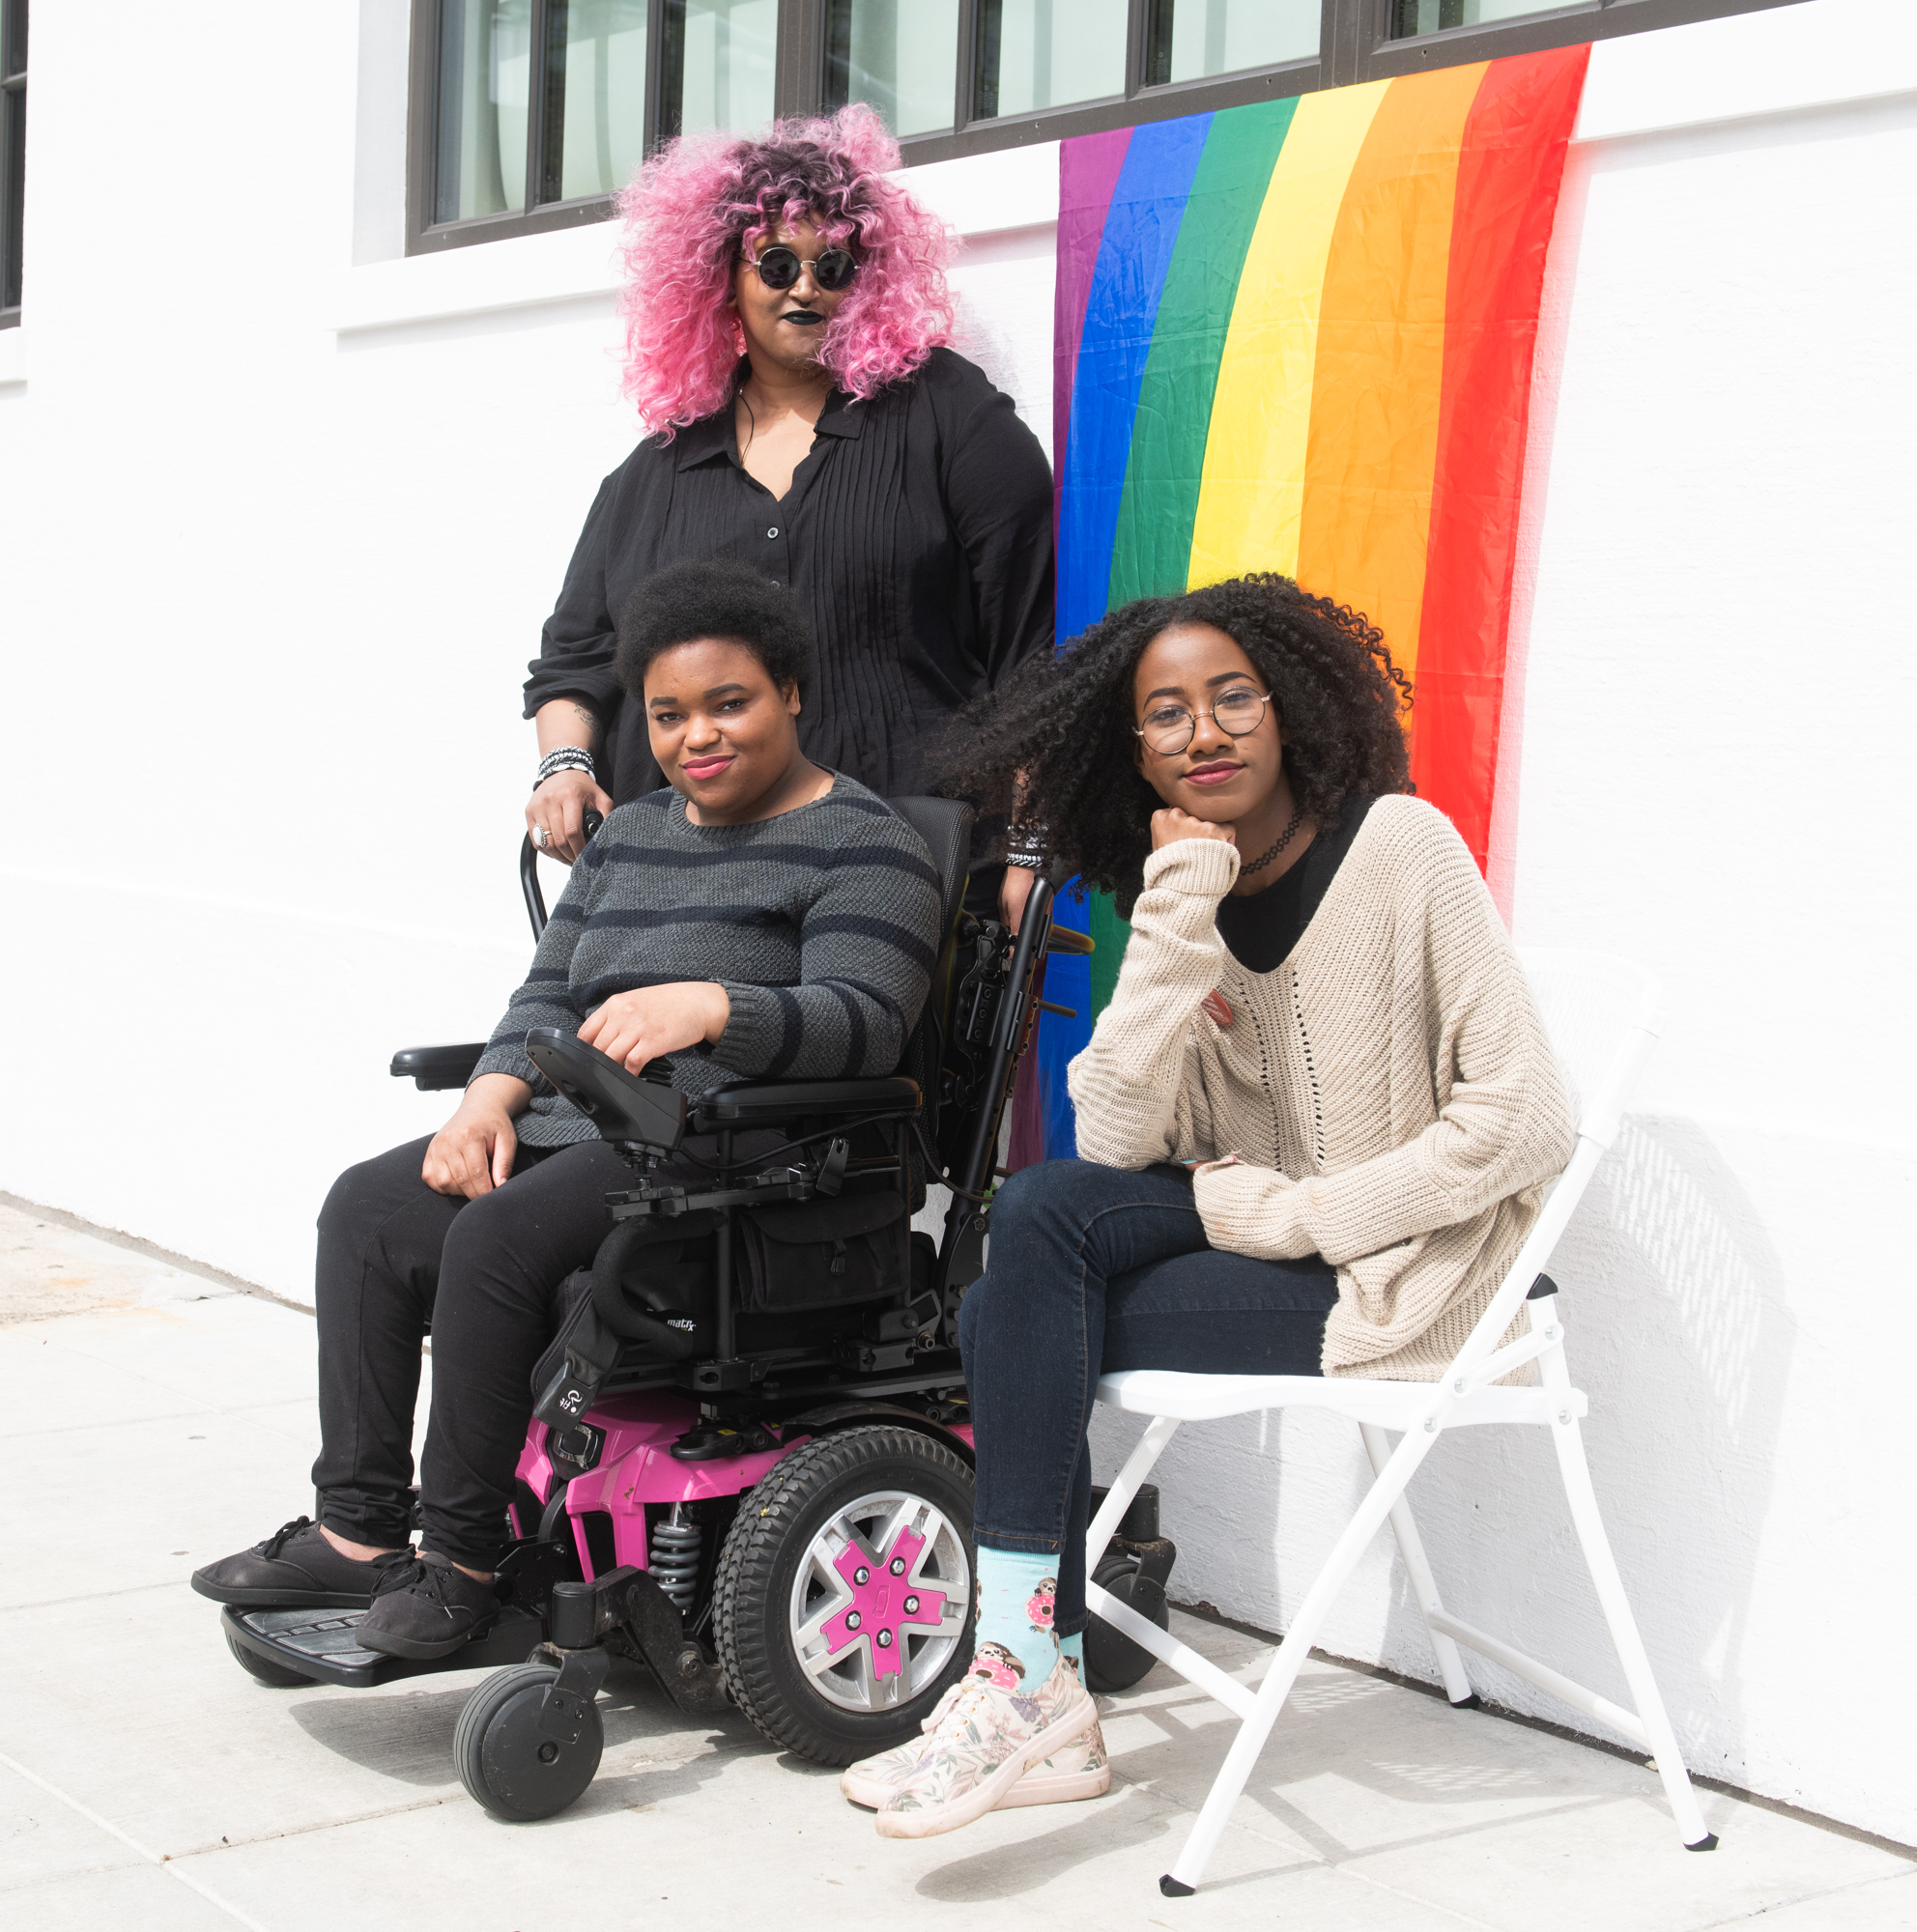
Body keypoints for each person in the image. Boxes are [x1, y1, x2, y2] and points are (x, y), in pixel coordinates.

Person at [839, 574, 1574, 1837]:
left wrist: (1301, 1217)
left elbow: (1524, 1121)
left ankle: (1025, 1680)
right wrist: (1177, 909)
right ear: (1134, 749)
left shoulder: (1403, 849)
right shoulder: (1193, 889)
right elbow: (1121, 1134)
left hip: (1419, 1271)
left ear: (1288, 706)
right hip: (1259, 1223)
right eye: (1166, 712)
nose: (1205, 731)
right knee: (1042, 1215)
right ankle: (1031, 1677)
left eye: (1232, 697)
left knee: (1007, 1318)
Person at [193, 561, 944, 1660]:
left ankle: (460, 1564)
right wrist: (487, 1100)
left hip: (732, 1155)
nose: (699, 737)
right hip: (577, 1131)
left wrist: (712, 1005)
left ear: (791, 689)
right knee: (370, 1208)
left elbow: (865, 1021)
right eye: (669, 715)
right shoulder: (634, 831)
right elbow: (549, 989)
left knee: (495, 1237)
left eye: (728, 703)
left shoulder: (866, 843)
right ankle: (356, 1533)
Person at [524, 104, 1051, 929]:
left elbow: (1031, 649)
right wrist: (562, 765)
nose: (805, 287)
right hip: (689, 893)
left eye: (833, 265)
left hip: (910, 871)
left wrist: (1029, 844)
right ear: (722, 277)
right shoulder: (656, 471)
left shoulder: (948, 416)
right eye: (775, 263)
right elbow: (575, 657)